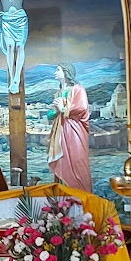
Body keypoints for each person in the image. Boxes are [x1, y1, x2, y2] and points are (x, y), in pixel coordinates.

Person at [47, 64, 92, 193]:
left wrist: (63, 109)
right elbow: (50, 114)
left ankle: (81, 197)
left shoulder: (78, 89)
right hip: (60, 132)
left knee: (77, 161)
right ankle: (63, 201)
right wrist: (56, 111)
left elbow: (82, 108)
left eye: (58, 70)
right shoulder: (58, 93)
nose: (55, 72)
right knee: (62, 162)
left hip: (74, 131)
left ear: (66, 72)